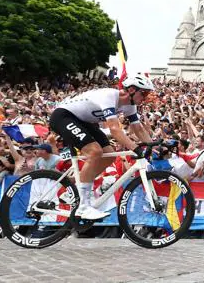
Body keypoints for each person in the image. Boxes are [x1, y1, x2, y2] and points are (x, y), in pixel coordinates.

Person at [48, 74, 154, 220]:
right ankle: (83, 207)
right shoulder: (109, 95)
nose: (146, 97)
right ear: (131, 90)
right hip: (63, 116)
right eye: (144, 93)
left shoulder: (130, 106)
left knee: (108, 155)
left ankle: (75, 189)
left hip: (83, 121)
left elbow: (139, 130)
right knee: (94, 151)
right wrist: (135, 148)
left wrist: (154, 146)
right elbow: (114, 130)